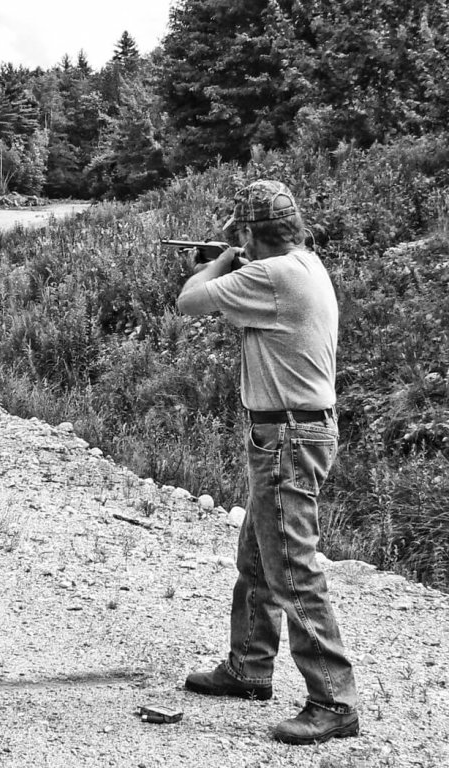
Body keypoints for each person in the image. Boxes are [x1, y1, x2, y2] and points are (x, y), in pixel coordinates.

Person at [176, 180, 359, 745]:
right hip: (292, 432)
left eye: (244, 235)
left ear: (252, 235)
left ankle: (333, 701)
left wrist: (220, 262)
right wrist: (234, 257)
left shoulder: (270, 275)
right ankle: (249, 667)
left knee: (291, 569)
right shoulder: (304, 261)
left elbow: (189, 301)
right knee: (258, 555)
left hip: (287, 437)